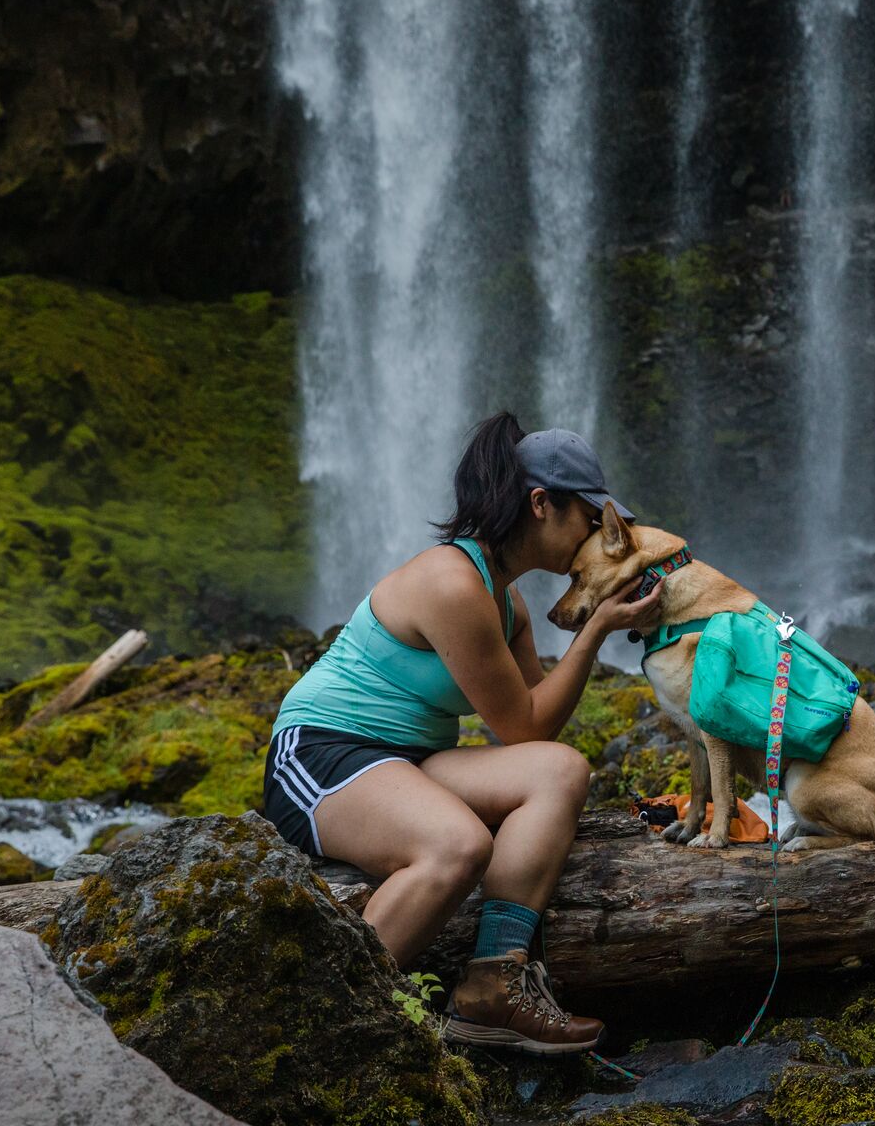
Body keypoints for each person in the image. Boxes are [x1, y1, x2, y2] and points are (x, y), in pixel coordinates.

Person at [262, 411, 662, 1054]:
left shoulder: (509, 604)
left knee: (559, 769)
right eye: (590, 518)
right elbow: (518, 721)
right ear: (541, 504)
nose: (597, 533)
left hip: (411, 760)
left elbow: (533, 736)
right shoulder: (453, 583)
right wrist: (595, 631)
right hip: (321, 752)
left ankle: (493, 988)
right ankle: (323, 1032)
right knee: (457, 846)